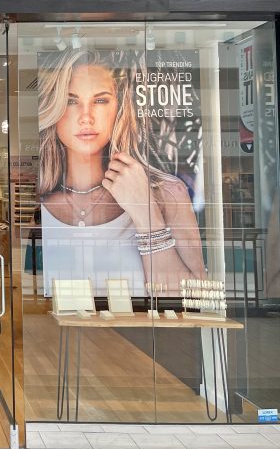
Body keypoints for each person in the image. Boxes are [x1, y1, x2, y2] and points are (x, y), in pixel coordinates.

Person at [38, 49, 205, 297]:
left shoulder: (168, 193)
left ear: (119, 107)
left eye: (100, 100)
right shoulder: (37, 202)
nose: (86, 117)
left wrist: (146, 214)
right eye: (71, 101)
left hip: (135, 326)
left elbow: (193, 299)